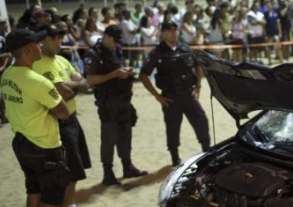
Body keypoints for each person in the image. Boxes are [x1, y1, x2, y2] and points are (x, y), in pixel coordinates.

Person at [2, 28, 92, 207]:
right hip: (45, 145)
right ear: (28, 49)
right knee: (51, 201)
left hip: (22, 142)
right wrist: (65, 96)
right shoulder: (37, 81)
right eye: (37, 44)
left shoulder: (8, 75)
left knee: (33, 192)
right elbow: (62, 112)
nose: (41, 46)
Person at [32, 24, 95, 207]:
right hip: (58, 122)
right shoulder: (40, 64)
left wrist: (72, 85)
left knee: (76, 170)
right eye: (54, 39)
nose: (59, 42)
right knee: (66, 173)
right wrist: (73, 85)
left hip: (73, 119)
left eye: (60, 38)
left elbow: (85, 84)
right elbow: (64, 93)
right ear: (43, 41)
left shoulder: (63, 60)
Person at [139, 21, 211, 166]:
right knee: (172, 128)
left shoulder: (185, 47)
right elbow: (143, 75)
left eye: (175, 30)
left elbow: (197, 66)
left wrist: (198, 86)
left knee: (201, 122)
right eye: (170, 30)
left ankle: (206, 151)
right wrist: (157, 96)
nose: (174, 33)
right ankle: (174, 157)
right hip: (170, 97)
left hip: (189, 94)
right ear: (163, 33)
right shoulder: (157, 52)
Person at [84, 25, 147, 185]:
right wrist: (115, 74)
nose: (117, 44)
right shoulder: (93, 54)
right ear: (105, 36)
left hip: (123, 100)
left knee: (126, 135)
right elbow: (90, 79)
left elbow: (119, 68)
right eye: (114, 40)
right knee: (109, 138)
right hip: (108, 103)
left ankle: (127, 166)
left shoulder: (116, 50)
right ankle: (108, 172)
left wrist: (126, 72)